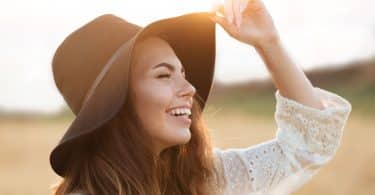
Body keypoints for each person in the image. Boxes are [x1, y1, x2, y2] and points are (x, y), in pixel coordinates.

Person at [49, 0, 352, 195]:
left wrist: (268, 42)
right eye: (164, 75)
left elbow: (309, 144)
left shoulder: (208, 180)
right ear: (115, 103)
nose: (189, 89)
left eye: (183, 73)